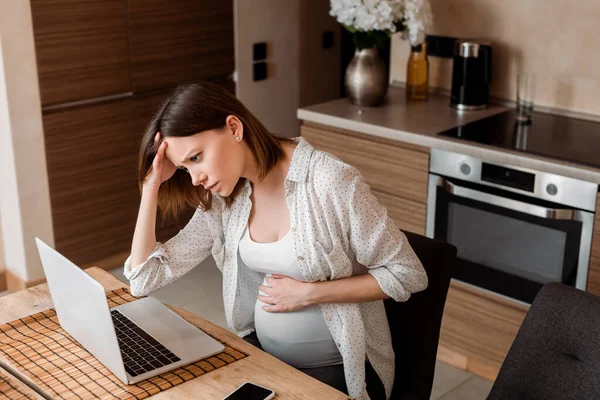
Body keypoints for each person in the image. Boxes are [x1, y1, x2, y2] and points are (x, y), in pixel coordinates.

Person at [125, 81, 428, 400]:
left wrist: (311, 293)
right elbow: (144, 280)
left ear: (233, 127)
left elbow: (408, 273)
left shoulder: (328, 182)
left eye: (197, 157)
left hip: (337, 371)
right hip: (262, 360)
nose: (195, 178)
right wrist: (151, 188)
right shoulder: (226, 197)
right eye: (185, 167)